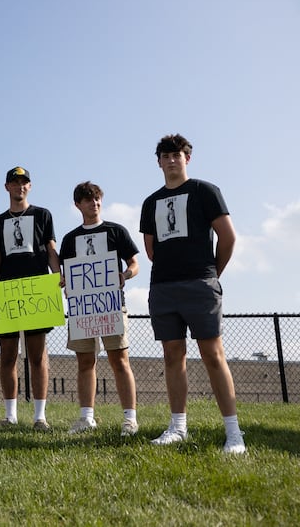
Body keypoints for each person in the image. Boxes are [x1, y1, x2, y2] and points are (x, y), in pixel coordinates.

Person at [139, 133, 245, 454]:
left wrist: (211, 274)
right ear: (158, 162)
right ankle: (178, 427)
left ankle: (234, 433)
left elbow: (228, 238)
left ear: (187, 158)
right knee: (173, 355)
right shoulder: (150, 202)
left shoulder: (205, 191)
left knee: (213, 354)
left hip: (200, 284)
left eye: (177, 155)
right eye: (166, 156)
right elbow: (151, 250)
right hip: (163, 287)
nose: (171, 160)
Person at [60, 181, 139, 436]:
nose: (94, 203)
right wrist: (67, 285)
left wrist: (125, 275)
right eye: (88, 199)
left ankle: (130, 419)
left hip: (112, 305)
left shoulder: (116, 231)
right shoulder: (70, 239)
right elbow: (67, 274)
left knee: (119, 360)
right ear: (77, 205)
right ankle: (86, 418)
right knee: (85, 361)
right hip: (82, 308)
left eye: (97, 199)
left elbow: (135, 264)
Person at [0, 167, 59, 430]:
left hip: (37, 290)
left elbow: (51, 250)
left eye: (24, 182)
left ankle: (40, 416)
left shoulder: (42, 214)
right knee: (7, 356)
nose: (20, 187)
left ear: (30, 186)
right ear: (7, 187)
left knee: (37, 355)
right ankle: (11, 415)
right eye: (15, 183)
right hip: (7, 291)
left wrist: (58, 276)